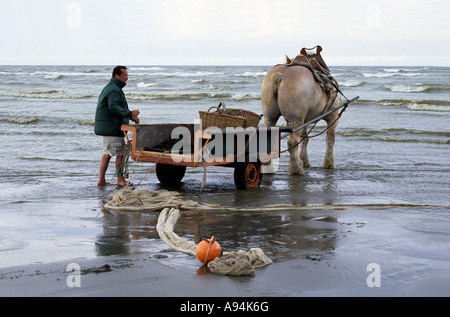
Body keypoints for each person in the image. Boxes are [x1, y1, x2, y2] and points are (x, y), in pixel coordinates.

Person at [94, 66, 140, 186]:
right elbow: (113, 107)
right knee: (121, 153)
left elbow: (116, 107)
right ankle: (120, 180)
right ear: (116, 76)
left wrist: (130, 117)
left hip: (108, 127)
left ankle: (101, 180)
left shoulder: (112, 87)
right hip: (112, 127)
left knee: (108, 153)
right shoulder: (114, 90)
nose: (127, 78)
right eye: (125, 75)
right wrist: (129, 113)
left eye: (127, 75)